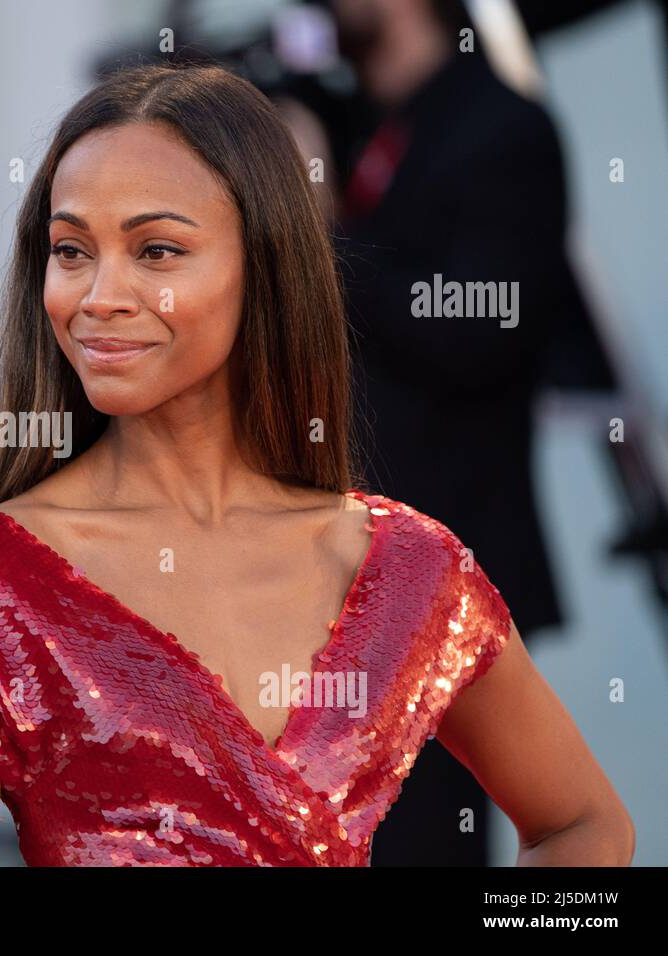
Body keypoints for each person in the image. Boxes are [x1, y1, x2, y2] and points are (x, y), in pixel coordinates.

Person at [0, 63, 633, 867]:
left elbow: (584, 825)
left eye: (156, 250)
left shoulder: (407, 569)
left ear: (264, 265)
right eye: (70, 250)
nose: (98, 295)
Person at [317, 0, 616, 865]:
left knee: (419, 837)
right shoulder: (350, 118)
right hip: (324, 558)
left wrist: (322, 248)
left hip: (441, 564)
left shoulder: (504, 128)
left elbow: (485, 326)